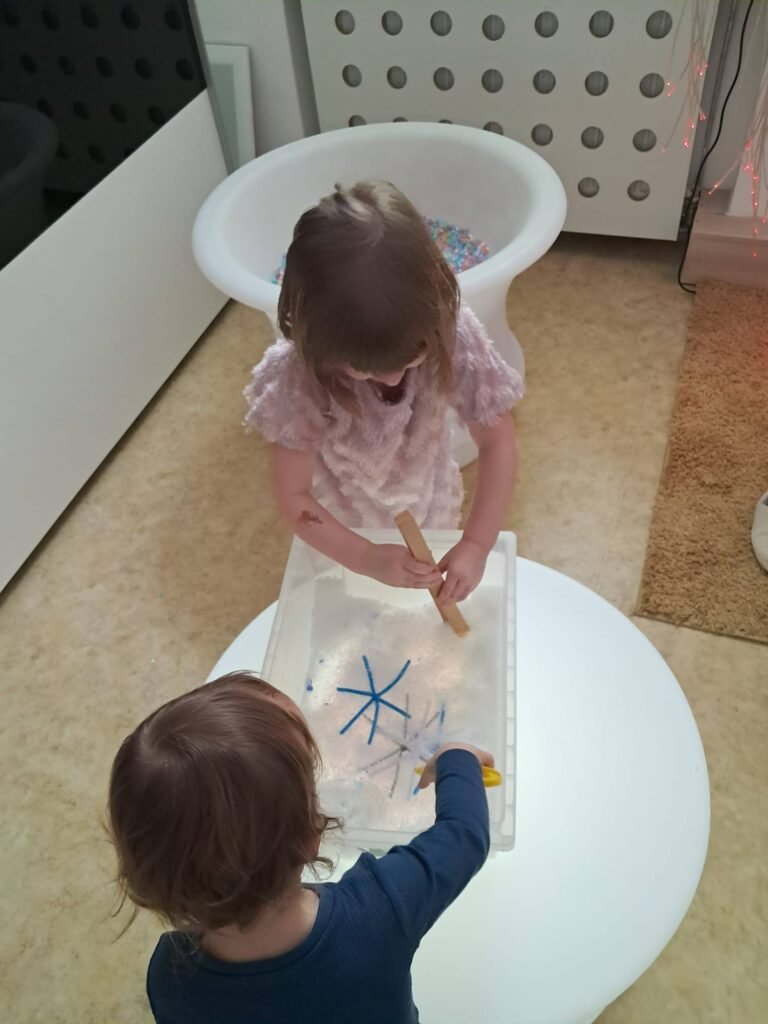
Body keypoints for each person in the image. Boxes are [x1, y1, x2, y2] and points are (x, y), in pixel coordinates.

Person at [108, 671, 493, 1024]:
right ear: (312, 834)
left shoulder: (170, 978)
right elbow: (464, 834)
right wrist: (456, 758)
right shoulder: (381, 910)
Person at [244, 181, 523, 604]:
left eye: (411, 358)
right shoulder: (298, 377)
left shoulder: (449, 332)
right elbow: (294, 496)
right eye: (364, 368)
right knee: (360, 601)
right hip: (342, 522)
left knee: (421, 596)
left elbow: (497, 441)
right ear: (315, 340)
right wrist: (366, 558)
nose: (393, 380)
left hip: (431, 498)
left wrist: (476, 544)